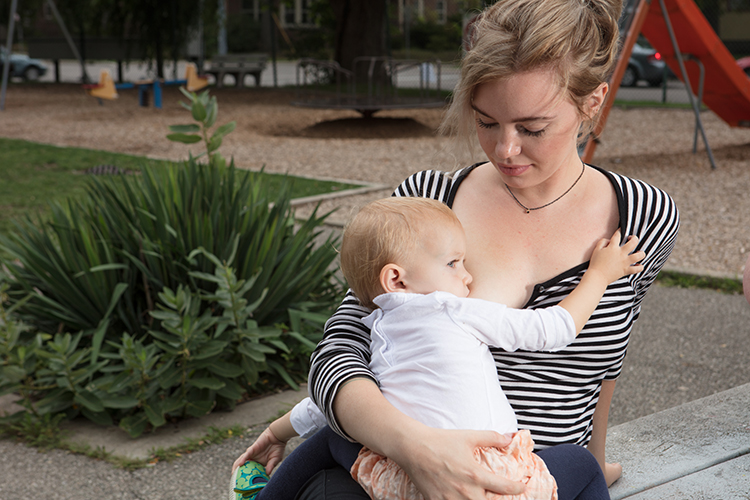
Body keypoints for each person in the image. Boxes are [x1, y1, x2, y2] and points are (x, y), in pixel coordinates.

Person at [300, 0, 679, 498]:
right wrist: (416, 449)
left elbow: (606, 362)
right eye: (486, 122)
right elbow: (341, 349)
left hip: (533, 481)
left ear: (594, 102)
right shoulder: (427, 202)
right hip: (406, 471)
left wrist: (594, 462)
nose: (505, 149)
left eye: (532, 128)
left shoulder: (644, 215)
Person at [233, 197, 645, 500]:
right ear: (397, 279)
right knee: (582, 464)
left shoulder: (377, 339)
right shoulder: (452, 309)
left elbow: (325, 407)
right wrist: (599, 275)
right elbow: (552, 329)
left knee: (333, 436)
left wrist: (274, 432)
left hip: (405, 484)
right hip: (500, 482)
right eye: (453, 263)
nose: (467, 277)